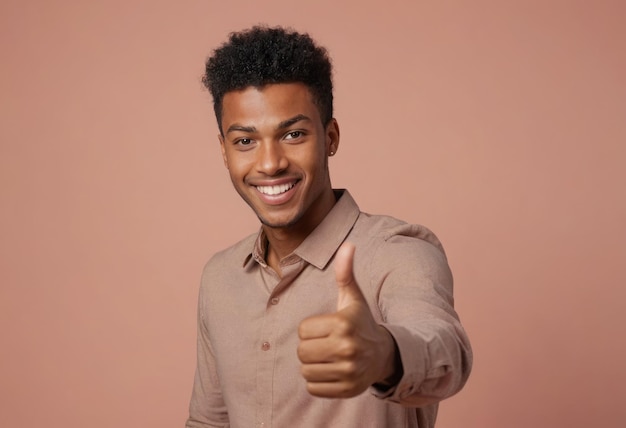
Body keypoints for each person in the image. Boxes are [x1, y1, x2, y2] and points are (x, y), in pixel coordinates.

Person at [186, 26, 472, 428]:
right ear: (224, 151)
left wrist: (383, 355)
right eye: (245, 141)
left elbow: (446, 351)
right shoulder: (220, 277)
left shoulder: (396, 251)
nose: (270, 163)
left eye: (293, 134)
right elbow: (208, 422)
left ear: (330, 137)